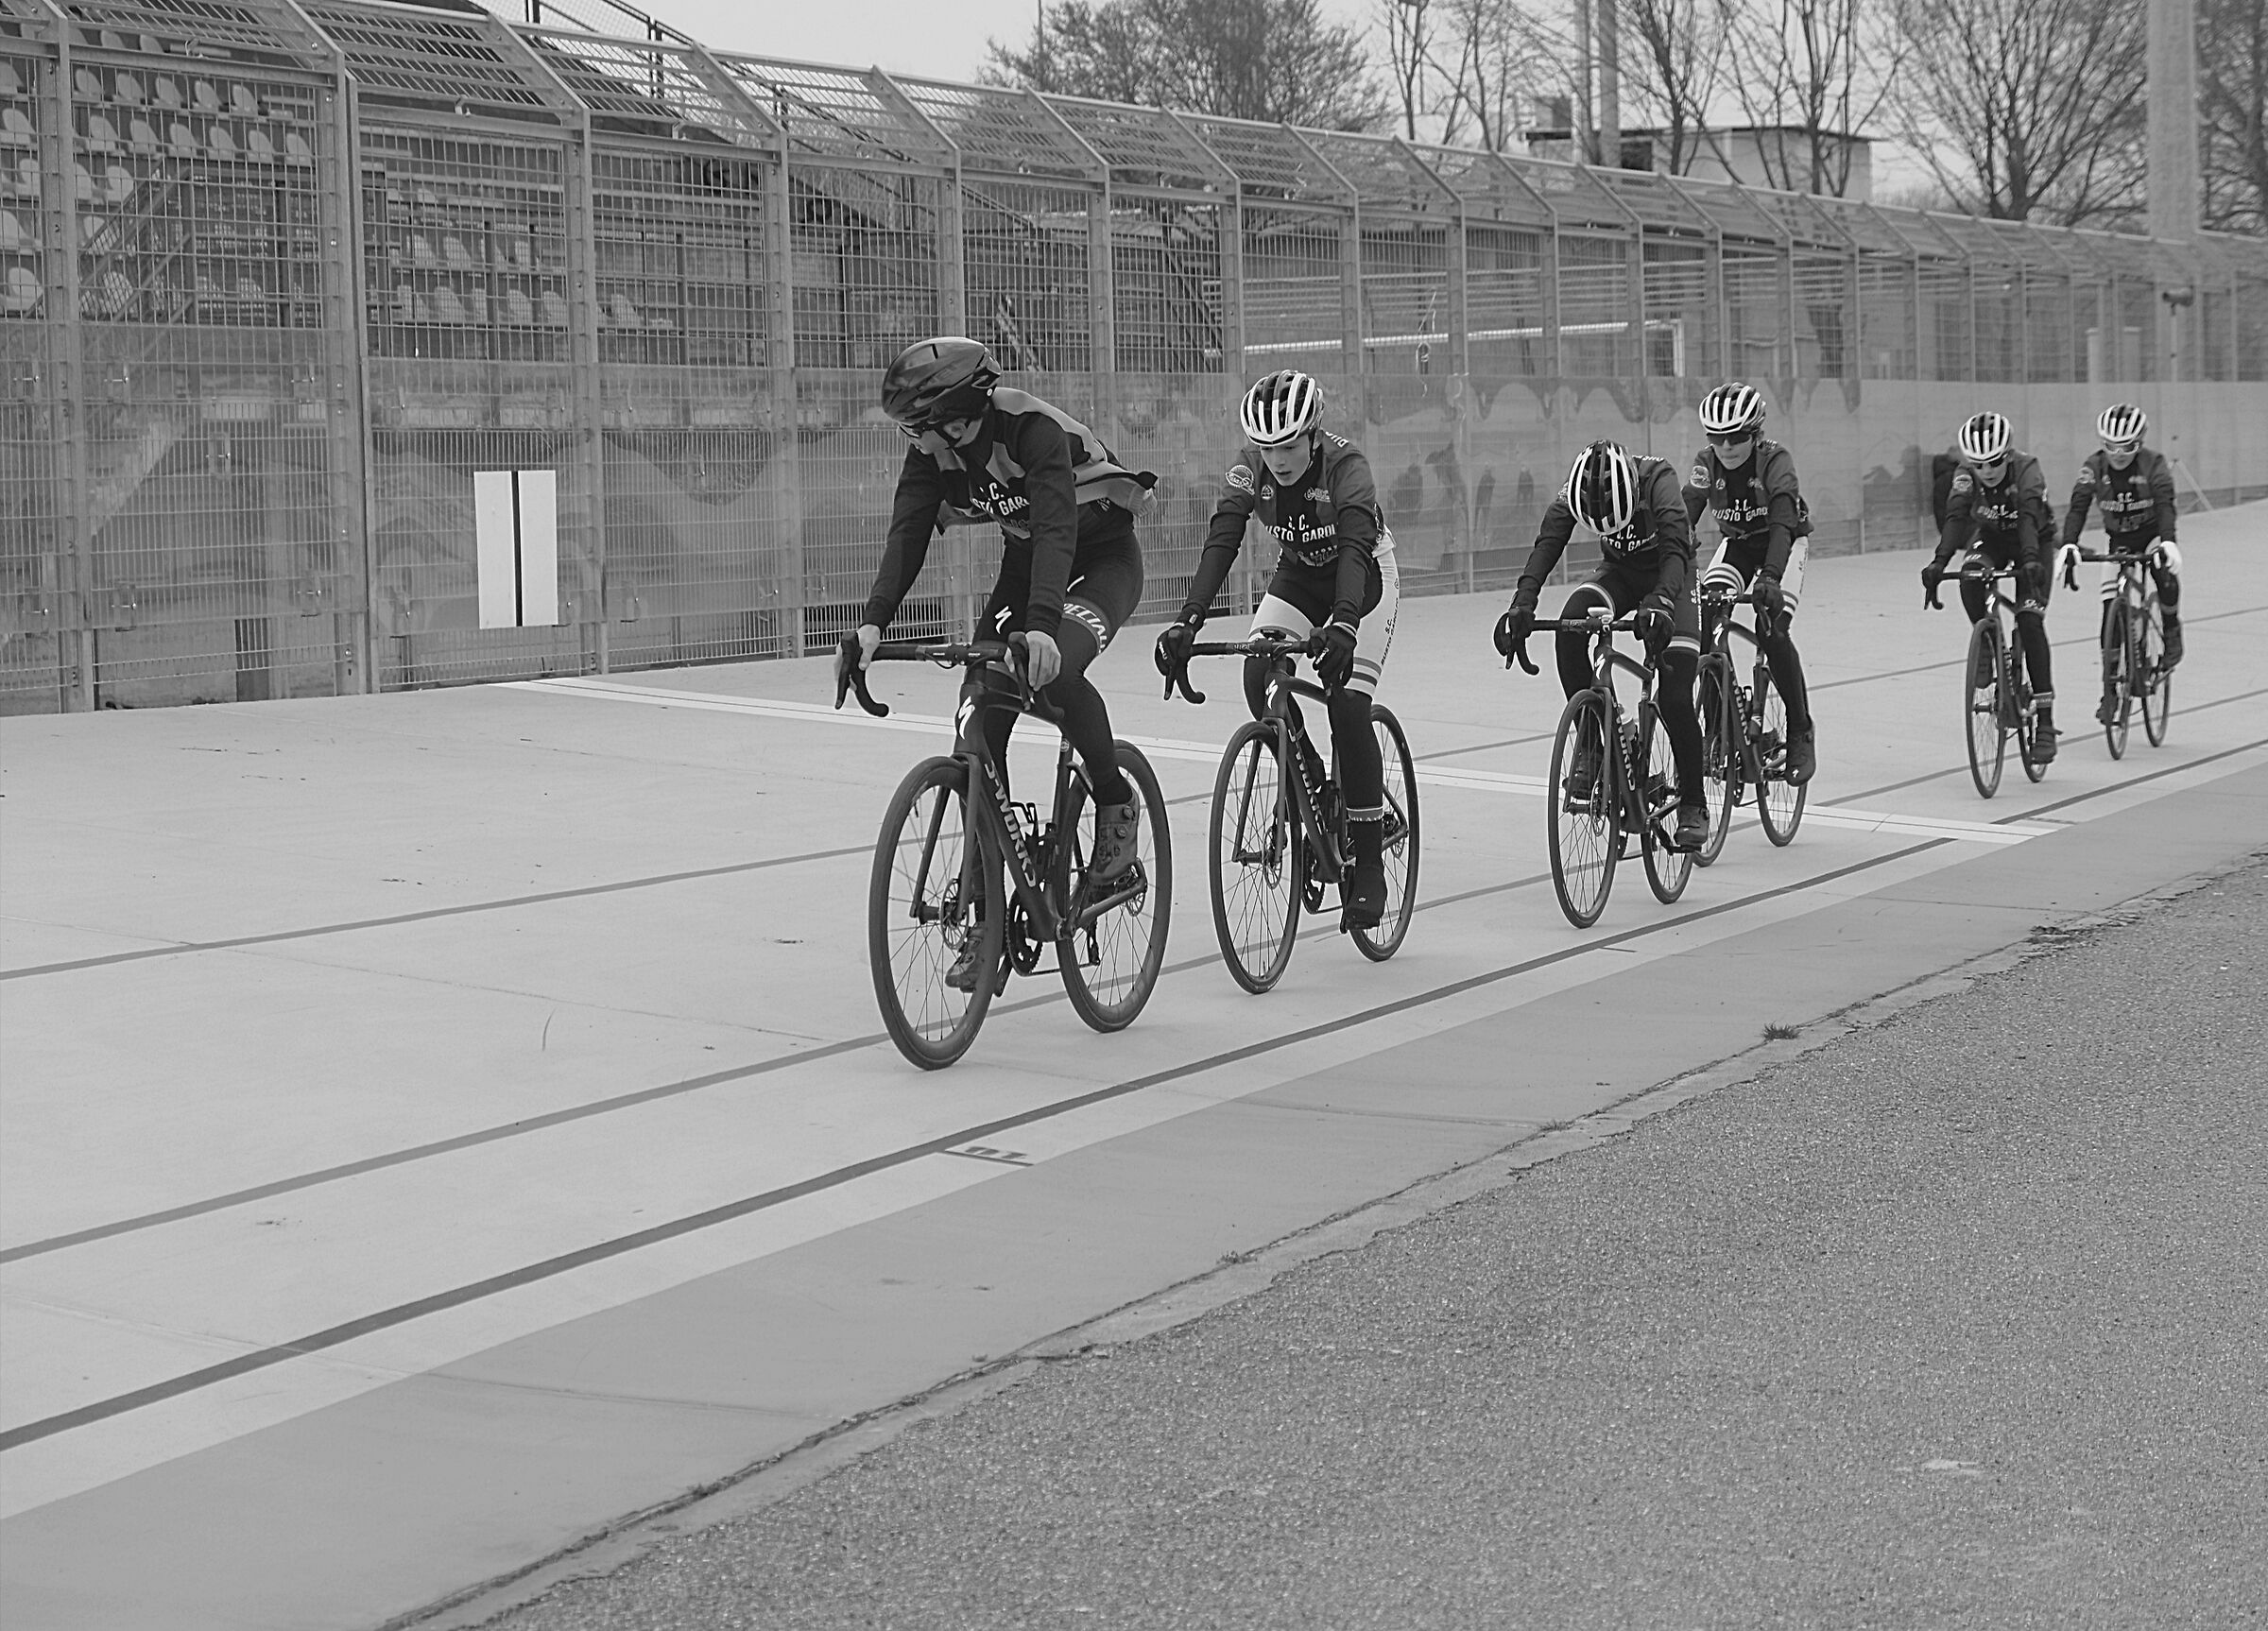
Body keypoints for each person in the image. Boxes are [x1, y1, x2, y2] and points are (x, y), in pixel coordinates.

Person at [838, 336, 1156, 986]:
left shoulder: (1030, 430)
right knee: (977, 717)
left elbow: (1059, 529)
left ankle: (1116, 808)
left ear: (956, 418)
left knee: (1053, 669)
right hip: (1028, 563)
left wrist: (1041, 629)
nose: (913, 444)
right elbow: (907, 532)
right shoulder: (935, 452)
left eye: (916, 430)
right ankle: (985, 917)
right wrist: (872, 623)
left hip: (1098, 560)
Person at [1155, 369, 1400, 929]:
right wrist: (1187, 621)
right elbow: (1223, 538)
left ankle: (1368, 865)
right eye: (1269, 447)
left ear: (1313, 435)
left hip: (1362, 578)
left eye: (1290, 444)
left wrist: (1343, 625)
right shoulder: (1249, 470)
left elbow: (1357, 547)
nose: (1279, 457)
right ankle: (1311, 776)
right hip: (1299, 575)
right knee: (1258, 672)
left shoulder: (1346, 468)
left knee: (1347, 705)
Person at [1493, 439, 1710, 851]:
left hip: (1673, 574)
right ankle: (1593, 742)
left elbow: (1678, 549)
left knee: (1675, 694)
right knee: (1569, 627)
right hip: (1620, 574)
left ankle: (1694, 804)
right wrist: (1522, 604)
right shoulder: (1576, 489)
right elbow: (1548, 544)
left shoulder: (1658, 480)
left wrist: (1662, 602)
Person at [1680, 381, 1817, 784]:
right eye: (1716, 437)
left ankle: (1800, 728)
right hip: (1738, 545)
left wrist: (1771, 578)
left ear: (1755, 433)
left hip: (1783, 543)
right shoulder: (1707, 461)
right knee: (1707, 621)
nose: (1726, 446)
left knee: (1771, 629)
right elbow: (1686, 511)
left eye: (1736, 437)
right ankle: (1718, 729)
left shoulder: (1775, 460)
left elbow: (1781, 524)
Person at [1922, 409, 2059, 763]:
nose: (1987, 471)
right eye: (1979, 464)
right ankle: (1987, 643)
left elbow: (2029, 517)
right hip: (1994, 537)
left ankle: (2044, 722)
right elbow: (1955, 517)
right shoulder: (1966, 475)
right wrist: (1939, 562)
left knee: (2029, 621)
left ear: (2008, 453)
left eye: (1994, 462)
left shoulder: (2028, 469)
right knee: (1969, 578)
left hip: (2034, 541)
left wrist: (2030, 560)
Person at [2057, 403, 2185, 725]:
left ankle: (2171, 629)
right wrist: (2069, 542)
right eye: (2110, 446)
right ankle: (2110, 690)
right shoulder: (2093, 467)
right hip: (2120, 540)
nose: (2118, 453)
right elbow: (2078, 506)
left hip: (2152, 534)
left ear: (2139, 443)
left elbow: (2166, 503)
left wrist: (2169, 541)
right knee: (2109, 613)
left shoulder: (2153, 463)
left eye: (2126, 446)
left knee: (2163, 571)